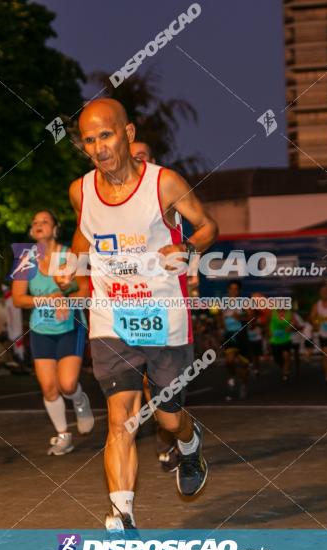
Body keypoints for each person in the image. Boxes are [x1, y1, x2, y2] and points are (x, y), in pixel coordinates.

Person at [68, 99, 218, 535]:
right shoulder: (81, 190)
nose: (99, 148)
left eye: (107, 136)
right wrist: (76, 264)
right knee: (121, 418)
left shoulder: (164, 184)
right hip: (111, 316)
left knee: (168, 416)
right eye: (90, 141)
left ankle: (188, 444)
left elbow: (208, 226)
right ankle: (122, 513)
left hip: (163, 314)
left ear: (128, 134)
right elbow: (84, 231)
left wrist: (188, 249)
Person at [11, 210, 94, 455]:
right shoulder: (26, 258)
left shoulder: (68, 255)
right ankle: (63, 435)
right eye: (35, 222)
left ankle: (79, 400)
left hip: (70, 326)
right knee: (49, 387)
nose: (39, 225)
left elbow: (85, 291)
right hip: (41, 329)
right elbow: (18, 298)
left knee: (67, 385)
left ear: (55, 228)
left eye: (45, 221)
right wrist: (46, 299)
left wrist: (64, 299)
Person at [130, 140, 179, 472]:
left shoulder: (166, 192)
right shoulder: (115, 204)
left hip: (163, 301)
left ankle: (170, 436)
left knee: (158, 383)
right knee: (133, 381)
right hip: (127, 301)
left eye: (141, 156)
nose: (134, 161)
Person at [219, 280, 250, 400]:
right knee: (229, 360)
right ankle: (232, 377)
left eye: (236, 289)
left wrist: (241, 317)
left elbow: (251, 317)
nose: (233, 291)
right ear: (228, 290)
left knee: (243, 365)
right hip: (229, 335)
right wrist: (221, 328)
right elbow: (220, 317)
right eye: (231, 288)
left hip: (241, 334)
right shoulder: (223, 302)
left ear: (239, 291)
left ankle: (243, 384)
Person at [269, 307, 293, 381]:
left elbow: (293, 323)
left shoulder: (289, 313)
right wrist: (268, 333)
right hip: (275, 340)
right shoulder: (272, 312)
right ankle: (285, 367)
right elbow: (266, 323)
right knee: (277, 359)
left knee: (286, 356)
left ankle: (285, 373)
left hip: (286, 339)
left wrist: (290, 327)